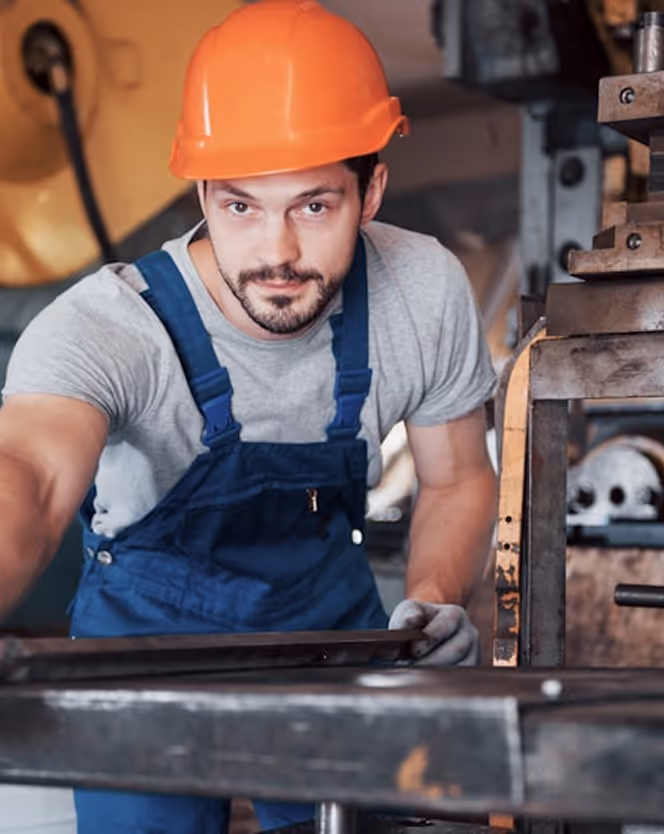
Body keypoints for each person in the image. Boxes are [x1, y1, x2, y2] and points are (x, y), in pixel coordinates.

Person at [0, 1, 497, 831]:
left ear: (371, 188)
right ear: (200, 190)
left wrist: (434, 599)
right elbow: (32, 479)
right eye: (240, 207)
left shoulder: (424, 291)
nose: (277, 254)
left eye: (313, 206)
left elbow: (457, 477)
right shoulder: (108, 327)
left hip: (330, 636)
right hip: (141, 654)